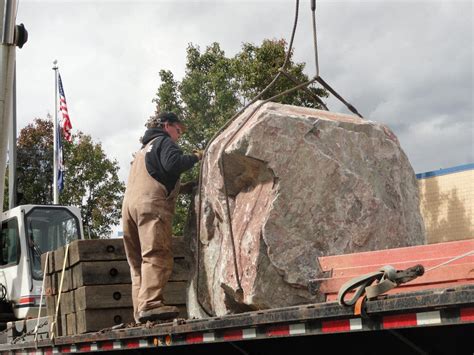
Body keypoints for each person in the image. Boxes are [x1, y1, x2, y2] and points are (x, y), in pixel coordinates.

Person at [122, 111, 203, 323]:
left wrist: (186, 187)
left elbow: (160, 176)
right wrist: (195, 157)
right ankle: (151, 304)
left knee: (138, 264)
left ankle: (141, 311)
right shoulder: (165, 142)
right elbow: (173, 165)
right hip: (151, 208)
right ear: (167, 125)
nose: (179, 135)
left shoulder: (143, 150)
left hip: (129, 210)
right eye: (178, 130)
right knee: (157, 254)